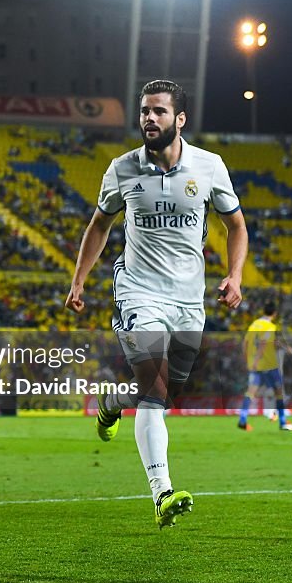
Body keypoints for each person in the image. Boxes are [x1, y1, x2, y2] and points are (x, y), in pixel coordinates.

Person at [65, 80, 248, 529]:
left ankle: (111, 402)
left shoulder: (209, 167)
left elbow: (236, 226)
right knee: (154, 390)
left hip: (189, 299)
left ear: (179, 119)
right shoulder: (122, 169)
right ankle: (161, 492)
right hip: (138, 291)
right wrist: (79, 281)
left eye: (159, 112)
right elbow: (99, 225)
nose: (149, 118)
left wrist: (235, 274)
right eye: (145, 111)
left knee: (164, 392)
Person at [238, 302, 292, 432]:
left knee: (250, 392)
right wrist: (257, 361)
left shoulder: (254, 324)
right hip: (268, 365)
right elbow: (263, 344)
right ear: (274, 314)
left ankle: (242, 420)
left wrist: (248, 361)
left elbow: (245, 343)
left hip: (255, 366)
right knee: (279, 393)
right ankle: (282, 422)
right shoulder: (269, 326)